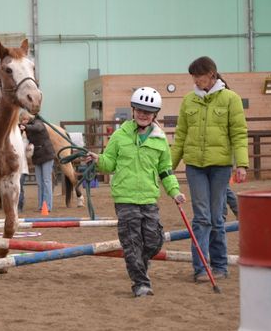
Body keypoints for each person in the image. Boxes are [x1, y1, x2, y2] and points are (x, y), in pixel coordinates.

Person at [85, 87, 185, 298]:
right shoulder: (120, 136)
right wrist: (97, 161)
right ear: (133, 110)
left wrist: (175, 192)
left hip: (149, 197)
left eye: (147, 112)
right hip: (125, 198)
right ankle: (141, 283)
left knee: (153, 241)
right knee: (131, 243)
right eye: (139, 110)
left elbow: (165, 170)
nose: (142, 114)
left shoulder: (160, 140)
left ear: (154, 114)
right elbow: (109, 163)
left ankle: (139, 264)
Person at [171, 56, 248, 283]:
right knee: (201, 217)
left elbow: (239, 133)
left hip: (221, 167)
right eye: (193, 76)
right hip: (195, 166)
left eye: (199, 75)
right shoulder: (188, 101)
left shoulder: (230, 99)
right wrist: (168, 167)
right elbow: (181, 136)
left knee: (216, 218)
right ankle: (201, 267)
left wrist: (241, 164)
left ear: (211, 74)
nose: (195, 80)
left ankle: (220, 265)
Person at [24, 115, 56, 212]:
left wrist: (26, 127)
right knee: (40, 183)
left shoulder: (38, 122)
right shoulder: (27, 129)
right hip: (37, 156)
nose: (23, 122)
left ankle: (48, 206)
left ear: (28, 118)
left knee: (46, 181)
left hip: (46, 154)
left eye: (24, 119)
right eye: (22, 121)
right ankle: (41, 206)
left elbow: (38, 128)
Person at [18, 110, 34, 212]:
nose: (25, 121)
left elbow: (29, 154)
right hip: (14, 167)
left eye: (27, 119)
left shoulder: (29, 135)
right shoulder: (16, 132)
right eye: (23, 119)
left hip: (23, 167)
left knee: (20, 187)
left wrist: (30, 148)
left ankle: (20, 206)